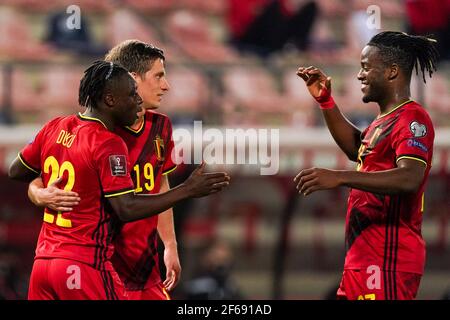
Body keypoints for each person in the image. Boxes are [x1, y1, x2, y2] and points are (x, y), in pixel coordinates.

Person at [8, 60, 230, 300]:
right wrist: (186, 190)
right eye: (131, 94)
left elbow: (17, 171)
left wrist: (38, 192)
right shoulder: (108, 143)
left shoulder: (54, 126)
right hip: (82, 265)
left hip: (43, 264)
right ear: (110, 100)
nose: (137, 101)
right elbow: (127, 207)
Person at [27, 41, 184, 300]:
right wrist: (39, 194)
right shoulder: (96, 131)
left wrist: (169, 245)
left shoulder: (161, 127)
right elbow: (39, 174)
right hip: (101, 265)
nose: (165, 85)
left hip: (144, 271)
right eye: (159, 76)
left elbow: (160, 183)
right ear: (133, 79)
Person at [294, 31, 438, 300]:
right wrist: (326, 101)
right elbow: (357, 149)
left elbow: (409, 178)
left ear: (392, 72)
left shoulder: (412, 118)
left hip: (388, 260)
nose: (360, 75)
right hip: (363, 258)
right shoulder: (382, 122)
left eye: (365, 67)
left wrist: (340, 177)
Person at [227, 0, 318, 57]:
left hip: (274, 33)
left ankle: (297, 47)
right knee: (273, 6)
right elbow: (238, 24)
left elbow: (285, 13)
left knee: (311, 6)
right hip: (248, 36)